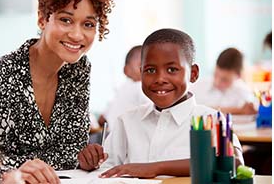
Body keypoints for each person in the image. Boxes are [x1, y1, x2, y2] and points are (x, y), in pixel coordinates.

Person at [0, 0, 113, 183]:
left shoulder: (79, 70)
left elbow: (69, 150)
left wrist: (83, 157)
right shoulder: (2, 72)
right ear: (43, 19)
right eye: (66, 20)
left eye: (88, 24)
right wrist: (12, 171)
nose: (77, 34)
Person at [99, 28, 243, 178]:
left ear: (193, 74)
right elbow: (105, 169)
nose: (160, 78)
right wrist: (91, 162)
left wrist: (157, 168)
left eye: (172, 69)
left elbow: (235, 163)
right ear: (141, 73)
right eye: (150, 70)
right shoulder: (127, 121)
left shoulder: (213, 119)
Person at [190, 48, 257, 115]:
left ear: (238, 76)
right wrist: (238, 110)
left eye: (224, 79)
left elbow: (251, 110)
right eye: (215, 75)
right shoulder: (197, 86)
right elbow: (192, 109)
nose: (217, 82)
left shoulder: (243, 91)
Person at [97, 45, 150, 130]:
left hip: (109, 135)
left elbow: (102, 119)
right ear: (126, 70)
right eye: (142, 66)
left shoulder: (121, 90)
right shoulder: (139, 87)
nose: (147, 71)